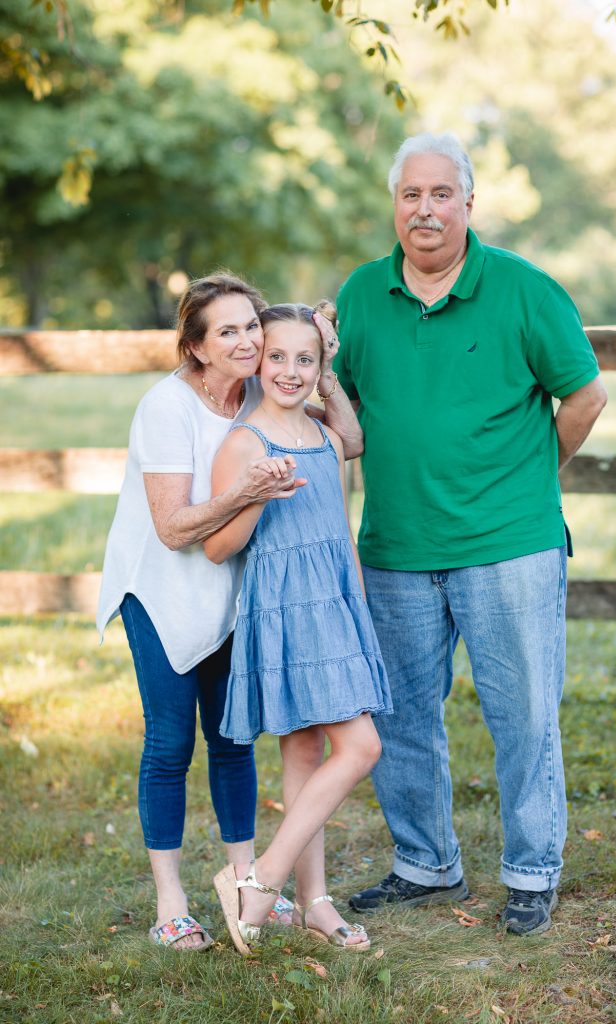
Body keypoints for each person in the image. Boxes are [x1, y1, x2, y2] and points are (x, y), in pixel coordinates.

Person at [335, 132, 608, 936]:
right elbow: (345, 412)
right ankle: (425, 863)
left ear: (466, 203)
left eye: (440, 194)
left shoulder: (523, 289)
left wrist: (528, 479)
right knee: (400, 718)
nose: (424, 209)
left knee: (522, 714)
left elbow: (585, 397)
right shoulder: (358, 295)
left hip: (508, 546)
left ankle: (530, 870)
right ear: (396, 204)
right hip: (393, 549)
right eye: (410, 195)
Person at [96, 272, 363, 951]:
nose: (247, 341)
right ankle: (170, 902)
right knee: (169, 743)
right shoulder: (167, 406)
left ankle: (247, 879)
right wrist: (246, 492)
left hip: (233, 591)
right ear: (195, 347)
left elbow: (340, 441)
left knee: (232, 740)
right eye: (228, 332)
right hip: (160, 589)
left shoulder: (257, 388)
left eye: (252, 326)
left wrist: (321, 360)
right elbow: (173, 529)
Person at [204, 301, 392, 956]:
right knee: (361, 747)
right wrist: (254, 493)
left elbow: (354, 445)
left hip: (334, 604)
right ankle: (258, 882)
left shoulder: (319, 428)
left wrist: (329, 376)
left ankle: (314, 904)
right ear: (256, 358)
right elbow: (217, 547)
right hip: (286, 609)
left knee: (306, 754)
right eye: (276, 356)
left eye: (304, 359)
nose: (289, 370)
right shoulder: (244, 442)